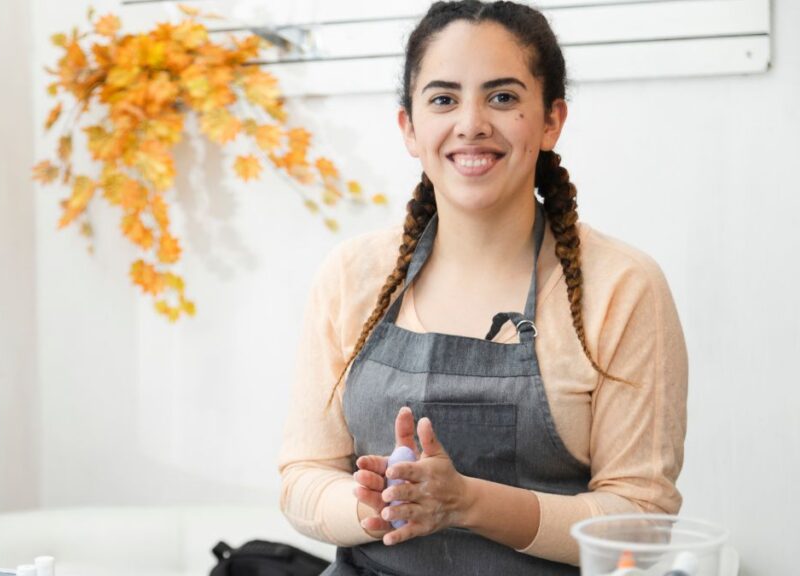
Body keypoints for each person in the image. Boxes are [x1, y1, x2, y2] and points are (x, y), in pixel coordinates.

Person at [278, 1, 688, 574]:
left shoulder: (622, 286)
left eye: (502, 97)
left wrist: (468, 504)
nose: (471, 122)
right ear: (409, 127)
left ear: (551, 121)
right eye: (443, 98)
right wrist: (377, 506)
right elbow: (303, 476)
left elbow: (641, 517)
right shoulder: (352, 275)